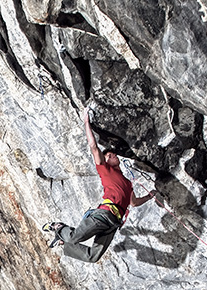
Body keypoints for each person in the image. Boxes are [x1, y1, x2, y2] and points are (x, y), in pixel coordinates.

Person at [43, 108, 156, 262]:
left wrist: (149, 196)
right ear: (106, 160)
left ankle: (64, 243)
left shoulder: (128, 183)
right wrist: (86, 122)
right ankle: (58, 227)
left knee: (93, 256)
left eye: (113, 154)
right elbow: (94, 147)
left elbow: (134, 203)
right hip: (104, 214)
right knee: (76, 236)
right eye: (109, 155)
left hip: (114, 222)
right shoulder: (105, 170)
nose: (113, 155)